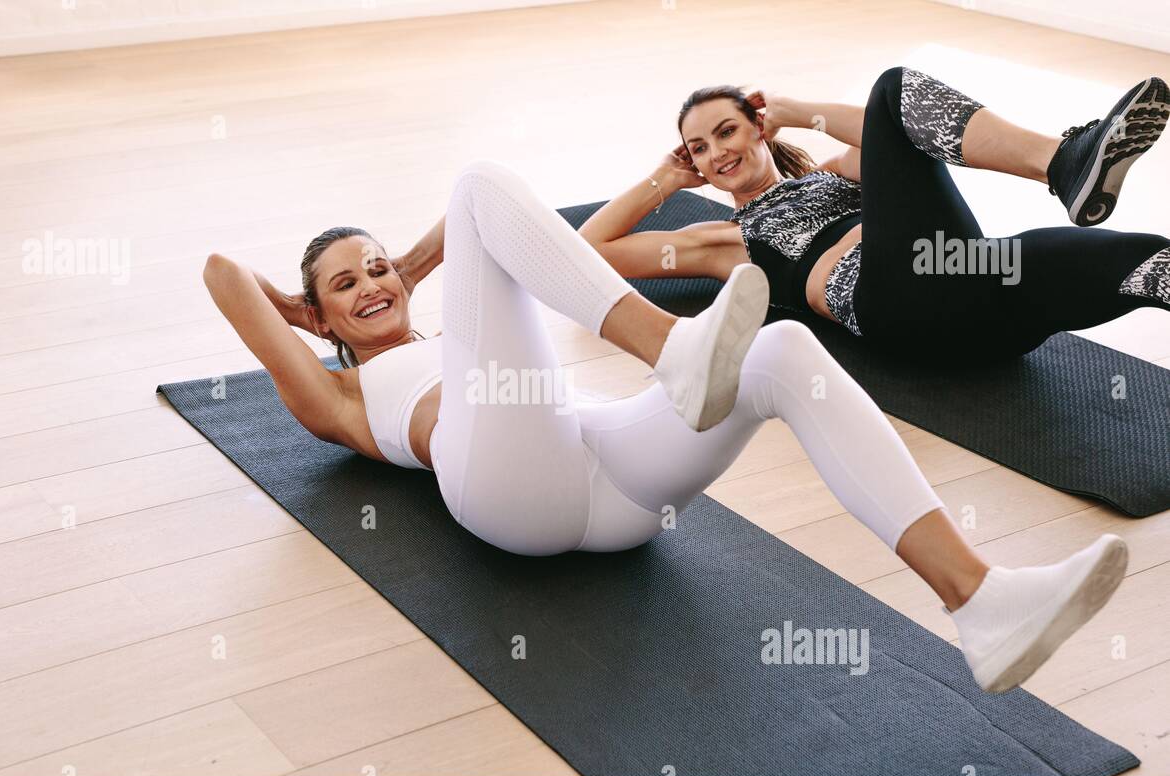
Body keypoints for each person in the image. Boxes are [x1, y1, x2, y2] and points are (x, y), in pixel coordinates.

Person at [203, 158, 1128, 693]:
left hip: (613, 482)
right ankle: (669, 348)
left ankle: (979, 599)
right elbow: (220, 273)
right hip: (505, 494)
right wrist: (306, 308)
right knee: (479, 179)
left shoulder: (455, 329)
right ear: (321, 319)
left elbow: (459, 243)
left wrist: (394, 269)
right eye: (347, 284)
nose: (374, 284)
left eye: (379, 269)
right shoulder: (344, 401)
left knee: (782, 352)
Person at [578, 67, 1169, 357]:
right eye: (700, 148)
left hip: (978, 301)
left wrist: (794, 108)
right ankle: (1065, 165)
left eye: (727, 131)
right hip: (894, 302)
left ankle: (1070, 168)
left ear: (760, 129)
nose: (717, 153)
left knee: (1143, 259)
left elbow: (896, 142)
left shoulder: (837, 170)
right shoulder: (726, 239)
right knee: (892, 88)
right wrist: (664, 177)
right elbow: (588, 250)